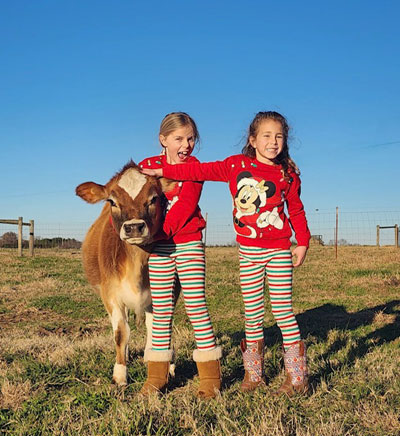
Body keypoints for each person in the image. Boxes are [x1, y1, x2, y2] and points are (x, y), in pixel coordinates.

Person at [142, 111, 311, 396]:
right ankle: (253, 375)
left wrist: (302, 240)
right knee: (252, 314)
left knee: (283, 310)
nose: (273, 142)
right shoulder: (236, 165)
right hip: (248, 253)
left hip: (279, 251)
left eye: (279, 136)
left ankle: (297, 377)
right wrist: (162, 171)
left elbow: (295, 208)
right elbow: (197, 171)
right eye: (267, 136)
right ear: (252, 140)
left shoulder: (287, 174)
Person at [139, 112, 221, 398]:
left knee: (196, 305)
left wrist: (151, 235)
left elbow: (185, 207)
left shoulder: (194, 168)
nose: (186, 145)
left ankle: (210, 376)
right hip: (160, 251)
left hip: (188, 244)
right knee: (161, 311)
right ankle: (156, 377)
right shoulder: (147, 167)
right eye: (179, 139)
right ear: (163, 139)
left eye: (191, 139)